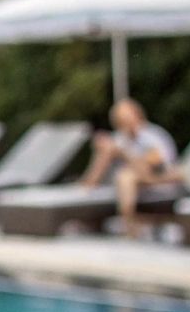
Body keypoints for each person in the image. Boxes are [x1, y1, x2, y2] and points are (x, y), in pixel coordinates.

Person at [78, 97, 182, 237]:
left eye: (126, 118)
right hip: (132, 186)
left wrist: (123, 153)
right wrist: (104, 151)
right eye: (120, 120)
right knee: (110, 155)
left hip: (160, 181)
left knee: (125, 177)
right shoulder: (121, 137)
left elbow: (154, 169)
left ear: (137, 115)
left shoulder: (152, 137)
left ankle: (130, 226)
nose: (124, 123)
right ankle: (85, 190)